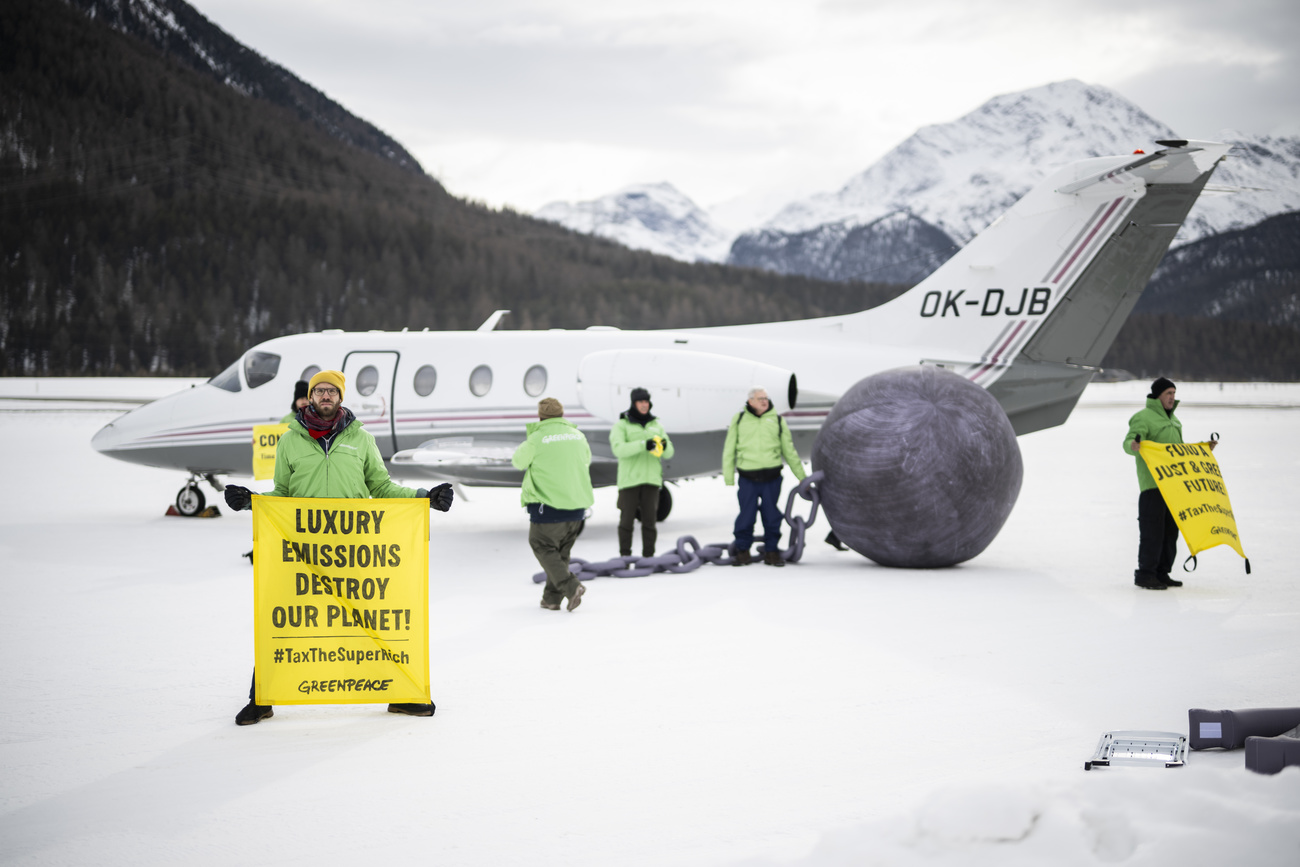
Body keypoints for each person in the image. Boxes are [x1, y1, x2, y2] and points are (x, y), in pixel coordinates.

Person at [223, 370, 454, 724]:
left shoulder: (361, 439)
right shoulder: (290, 440)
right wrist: (252, 501)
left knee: (372, 619)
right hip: (304, 552)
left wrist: (424, 498)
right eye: (320, 391)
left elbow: (382, 488)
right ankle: (262, 697)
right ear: (310, 396)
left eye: (332, 391)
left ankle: (404, 694)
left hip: (353, 552)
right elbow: (282, 496)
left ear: (341, 397)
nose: (325, 396)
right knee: (288, 621)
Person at [1123, 377, 1215, 590]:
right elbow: (1128, 441)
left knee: (1169, 533)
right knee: (1152, 533)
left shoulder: (1175, 422)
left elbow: (1180, 452)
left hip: (1174, 488)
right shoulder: (1142, 418)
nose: (1173, 397)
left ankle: (1162, 573)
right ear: (1158, 396)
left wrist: (1203, 449)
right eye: (1168, 394)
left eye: (1174, 393)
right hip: (1152, 486)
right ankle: (1145, 574)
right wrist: (1133, 445)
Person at [512, 398, 594, 612]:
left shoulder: (537, 439)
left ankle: (571, 586)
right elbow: (587, 459)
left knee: (541, 545)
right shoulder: (578, 436)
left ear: (540, 415)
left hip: (548, 508)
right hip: (576, 510)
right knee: (560, 555)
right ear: (561, 414)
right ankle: (551, 599)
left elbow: (518, 462)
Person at [722, 387, 806, 567]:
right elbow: (729, 449)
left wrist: (801, 476)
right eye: (760, 398)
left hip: (772, 478)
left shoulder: (777, 420)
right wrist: (728, 476)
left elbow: (789, 450)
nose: (764, 401)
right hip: (748, 479)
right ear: (750, 401)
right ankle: (742, 551)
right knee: (746, 516)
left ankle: (772, 552)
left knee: (772, 515)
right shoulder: (739, 419)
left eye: (766, 398)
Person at [609, 387, 674, 558]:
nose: (644, 405)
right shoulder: (621, 425)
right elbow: (618, 450)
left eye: (646, 401)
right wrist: (642, 445)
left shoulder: (656, 425)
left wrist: (664, 446)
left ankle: (649, 556)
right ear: (634, 403)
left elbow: (669, 453)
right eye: (641, 402)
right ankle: (625, 556)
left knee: (650, 522)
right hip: (629, 480)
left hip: (651, 480)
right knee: (626, 522)